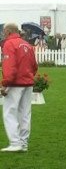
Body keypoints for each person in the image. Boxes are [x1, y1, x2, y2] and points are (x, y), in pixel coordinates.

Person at [0, 23, 38, 152]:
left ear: (8, 31)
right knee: (25, 114)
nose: (3, 33)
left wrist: (5, 84)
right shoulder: (26, 44)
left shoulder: (9, 44)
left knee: (9, 112)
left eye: (4, 31)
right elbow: (34, 66)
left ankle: (15, 143)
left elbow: (9, 66)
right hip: (28, 82)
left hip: (15, 83)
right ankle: (23, 143)